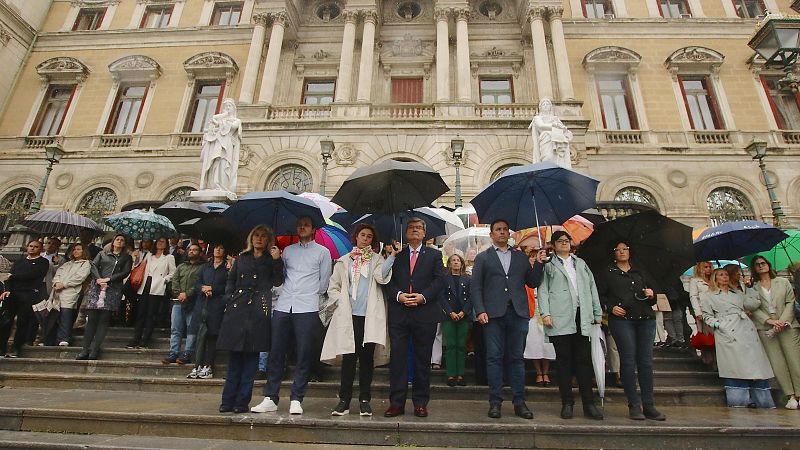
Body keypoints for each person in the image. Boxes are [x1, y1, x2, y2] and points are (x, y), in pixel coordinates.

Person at [251, 216, 332, 415]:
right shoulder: (287, 251)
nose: (302, 227)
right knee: (276, 352)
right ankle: (271, 396)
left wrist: (310, 295)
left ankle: (297, 397)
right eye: (300, 224)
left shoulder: (323, 252)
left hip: (308, 305)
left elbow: (324, 282)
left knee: (304, 353)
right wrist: (276, 259)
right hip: (284, 304)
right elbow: (280, 276)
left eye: (306, 224)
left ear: (313, 229)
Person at [471, 219, 546, 419]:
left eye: (505, 229)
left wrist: (538, 263)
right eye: (498, 230)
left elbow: (532, 282)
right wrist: (480, 310)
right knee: (494, 358)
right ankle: (495, 402)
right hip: (493, 315)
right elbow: (476, 287)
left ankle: (519, 402)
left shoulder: (520, 257)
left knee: (517, 359)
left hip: (518, 313)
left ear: (509, 233)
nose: (502, 232)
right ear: (492, 234)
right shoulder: (483, 258)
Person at [322, 223, 391, 417]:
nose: (366, 239)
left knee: (367, 359)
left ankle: (364, 399)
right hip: (348, 315)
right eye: (363, 235)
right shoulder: (345, 261)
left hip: (368, 316)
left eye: (370, 236)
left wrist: (391, 257)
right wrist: (340, 302)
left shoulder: (377, 260)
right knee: (349, 359)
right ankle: (344, 400)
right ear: (356, 237)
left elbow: (381, 277)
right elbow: (333, 286)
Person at [382, 218, 447, 418]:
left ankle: (420, 402)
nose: (415, 230)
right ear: (406, 232)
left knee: (422, 360)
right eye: (411, 228)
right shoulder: (396, 255)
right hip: (399, 314)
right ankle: (396, 403)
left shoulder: (435, 255)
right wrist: (398, 296)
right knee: (398, 360)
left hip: (424, 313)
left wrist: (423, 297)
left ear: (425, 233)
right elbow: (385, 280)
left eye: (419, 228)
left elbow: (440, 280)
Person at [537, 231, 604, 420]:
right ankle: (567, 402)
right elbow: (542, 290)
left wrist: (597, 312)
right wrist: (545, 313)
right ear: (553, 245)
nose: (565, 243)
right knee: (564, 362)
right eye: (560, 241)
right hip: (560, 317)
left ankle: (588, 404)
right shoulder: (549, 265)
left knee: (584, 361)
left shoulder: (580, 263)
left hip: (582, 316)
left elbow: (592, 288)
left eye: (567, 240)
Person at [596, 242, 666, 421]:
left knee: (646, 362)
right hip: (622, 319)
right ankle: (634, 404)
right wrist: (610, 307)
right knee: (627, 360)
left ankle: (649, 404)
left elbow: (653, 296)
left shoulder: (641, 271)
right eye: (618, 250)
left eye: (625, 249)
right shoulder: (607, 272)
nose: (622, 252)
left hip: (645, 318)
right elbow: (600, 295)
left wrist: (652, 294)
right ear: (613, 253)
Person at [217, 226, 283, 413]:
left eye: (263, 236)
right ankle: (227, 400)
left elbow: (278, 281)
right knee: (234, 360)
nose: (259, 239)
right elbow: (231, 280)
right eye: (256, 235)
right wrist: (228, 298)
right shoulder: (242, 258)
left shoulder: (271, 260)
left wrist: (278, 261)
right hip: (237, 309)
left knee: (251, 361)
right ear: (250, 238)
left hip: (258, 310)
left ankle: (241, 402)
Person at [701, 268, 774, 408]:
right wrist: (719, 324)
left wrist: (749, 287)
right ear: (715, 279)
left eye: (726, 274)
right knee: (735, 366)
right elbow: (707, 316)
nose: (725, 277)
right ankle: (739, 401)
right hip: (728, 331)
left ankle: (761, 400)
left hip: (745, 329)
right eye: (721, 275)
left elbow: (753, 304)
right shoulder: (709, 296)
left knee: (754, 364)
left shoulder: (738, 293)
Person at [750, 255, 800, 410]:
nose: (761, 266)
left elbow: (790, 302)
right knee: (777, 363)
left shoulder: (783, 282)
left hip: (787, 324)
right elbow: (753, 309)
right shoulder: (753, 287)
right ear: (754, 268)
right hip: (766, 327)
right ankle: (790, 395)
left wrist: (782, 321)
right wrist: (770, 321)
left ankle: (799, 393)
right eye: (757, 264)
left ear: (768, 265)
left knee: (794, 360)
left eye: (763, 263)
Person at [80, 234, 132, 360]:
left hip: (112, 289)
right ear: (113, 242)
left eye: (122, 240)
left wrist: (109, 279)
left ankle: (95, 349)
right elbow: (93, 266)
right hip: (97, 287)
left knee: (103, 320)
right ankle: (85, 349)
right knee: (92, 319)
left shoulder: (126, 257)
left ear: (124, 244)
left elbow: (125, 272)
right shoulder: (102, 254)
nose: (119, 242)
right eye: (117, 239)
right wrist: (99, 279)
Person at [187, 244, 230, 380]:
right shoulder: (205, 266)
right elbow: (197, 282)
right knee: (200, 336)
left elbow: (228, 286)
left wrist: (213, 289)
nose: (218, 250)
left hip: (216, 305)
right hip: (202, 303)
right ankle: (197, 365)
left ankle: (208, 366)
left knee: (212, 336)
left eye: (221, 248)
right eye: (216, 248)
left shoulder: (226, 269)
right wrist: (203, 288)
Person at [0, 240, 49, 358]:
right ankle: (1, 348)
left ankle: (16, 348)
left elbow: (33, 275)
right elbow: (8, 277)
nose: (32, 248)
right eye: (30, 246)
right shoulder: (19, 262)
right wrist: (7, 290)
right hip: (13, 294)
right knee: (5, 321)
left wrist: (14, 276)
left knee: (23, 322)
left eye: (36, 247)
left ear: (41, 249)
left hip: (29, 294)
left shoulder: (43, 262)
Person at [127, 236, 176, 349]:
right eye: (158, 241)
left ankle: (145, 339)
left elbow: (173, 272)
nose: (160, 243)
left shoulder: (169, 257)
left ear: (166, 244)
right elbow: (139, 266)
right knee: (141, 313)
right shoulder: (149, 255)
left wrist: (164, 280)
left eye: (163, 241)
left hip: (157, 285)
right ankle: (136, 338)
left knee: (151, 314)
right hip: (145, 284)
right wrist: (135, 257)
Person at [163, 244, 205, 365]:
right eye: (190, 250)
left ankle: (188, 352)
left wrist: (187, 294)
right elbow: (175, 280)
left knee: (191, 329)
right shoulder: (181, 266)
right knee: (175, 328)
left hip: (193, 302)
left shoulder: (202, 267)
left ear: (200, 253)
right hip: (178, 301)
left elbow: (199, 283)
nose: (192, 252)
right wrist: (178, 294)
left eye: (195, 250)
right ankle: (173, 352)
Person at [50, 243, 92, 347]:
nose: (76, 251)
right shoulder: (67, 264)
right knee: (55, 315)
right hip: (58, 292)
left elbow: (80, 277)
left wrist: (64, 285)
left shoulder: (86, 263)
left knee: (67, 314)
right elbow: (58, 274)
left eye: (78, 249)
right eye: (74, 249)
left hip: (71, 292)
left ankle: (64, 337)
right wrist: (56, 282)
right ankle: (53, 338)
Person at [441, 254, 472, 387]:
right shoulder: (444, 279)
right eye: (453, 260)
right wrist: (450, 312)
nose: (455, 263)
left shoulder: (468, 279)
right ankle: (451, 375)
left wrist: (463, 312)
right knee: (451, 345)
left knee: (461, 345)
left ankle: (460, 374)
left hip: (463, 316)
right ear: (449, 264)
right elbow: (441, 297)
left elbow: (472, 297)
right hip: (449, 316)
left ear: (462, 263)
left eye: (458, 260)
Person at [200, 97, 241, 192]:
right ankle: (213, 185)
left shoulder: (237, 120)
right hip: (218, 143)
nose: (228, 108)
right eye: (226, 106)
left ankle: (222, 186)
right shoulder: (221, 118)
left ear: (234, 108)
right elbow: (214, 118)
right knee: (215, 163)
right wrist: (223, 116)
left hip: (227, 146)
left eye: (230, 106)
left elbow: (233, 127)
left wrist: (220, 123)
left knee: (224, 164)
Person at [529, 97, 574, 168]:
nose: (546, 105)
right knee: (547, 157)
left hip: (556, 140)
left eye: (547, 104)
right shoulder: (537, 118)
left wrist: (565, 131)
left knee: (556, 160)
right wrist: (554, 125)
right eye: (543, 104)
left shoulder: (555, 118)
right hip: (545, 139)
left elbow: (563, 129)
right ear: (540, 107)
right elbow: (541, 126)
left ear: (550, 107)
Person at [689, 261, 715, 365]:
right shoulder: (695, 281)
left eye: (709, 267)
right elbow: (693, 297)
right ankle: (708, 360)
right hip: (702, 311)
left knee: (715, 336)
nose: (708, 269)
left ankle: (716, 361)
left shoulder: (713, 281)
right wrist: (697, 312)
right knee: (705, 336)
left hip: (714, 311)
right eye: (706, 267)